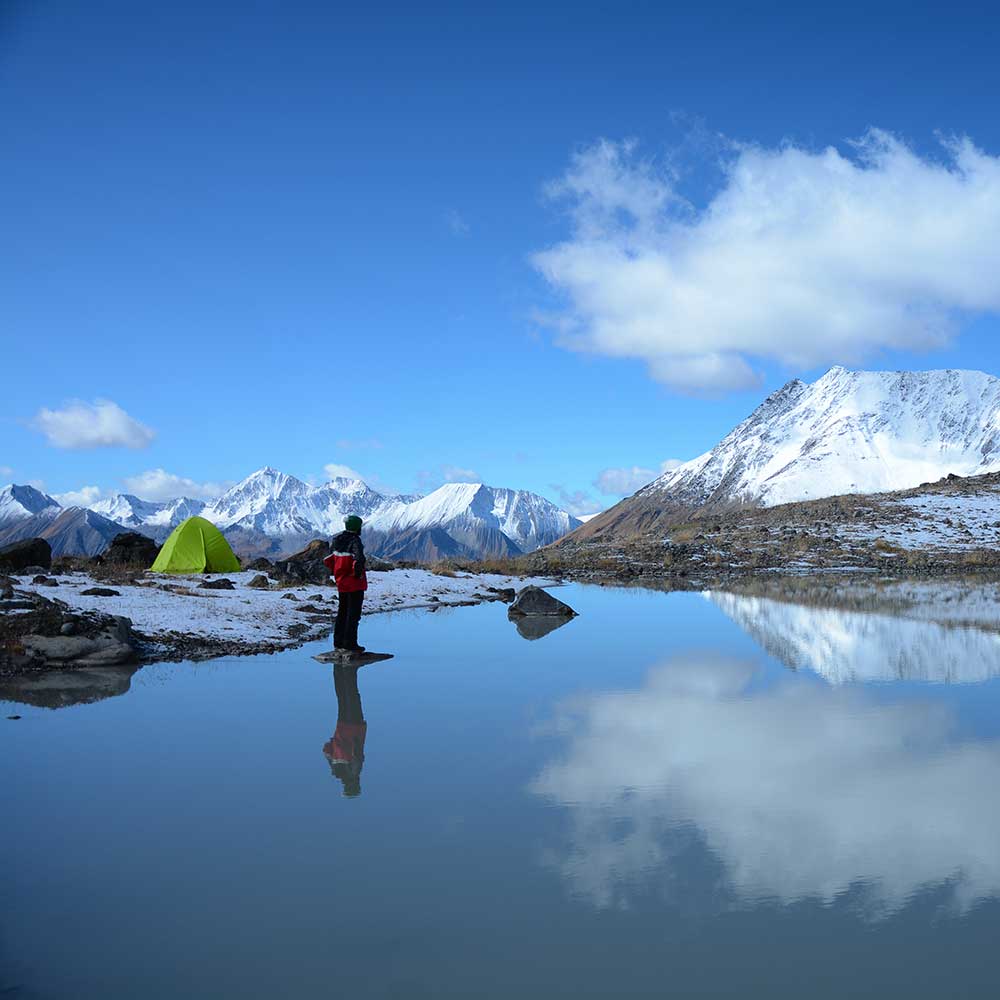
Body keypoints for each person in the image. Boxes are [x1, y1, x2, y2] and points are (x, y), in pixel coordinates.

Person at [324, 514, 368, 653]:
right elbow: (359, 560)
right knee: (353, 614)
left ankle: (338, 642)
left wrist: (337, 573)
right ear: (357, 527)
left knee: (342, 611)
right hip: (354, 583)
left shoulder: (337, 539)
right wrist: (357, 574)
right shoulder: (355, 541)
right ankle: (350, 644)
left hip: (341, 582)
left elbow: (328, 559)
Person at [322, 664, 366, 797]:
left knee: (352, 695)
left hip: (355, 726)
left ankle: (346, 667)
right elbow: (326, 749)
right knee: (342, 697)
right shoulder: (336, 770)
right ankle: (340, 668)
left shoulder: (354, 769)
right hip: (341, 726)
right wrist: (336, 741)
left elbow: (357, 750)